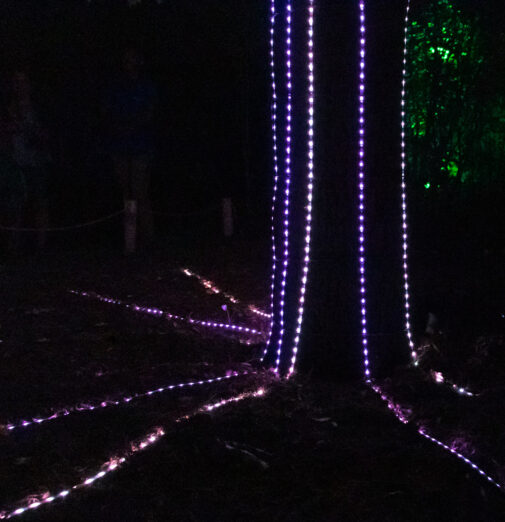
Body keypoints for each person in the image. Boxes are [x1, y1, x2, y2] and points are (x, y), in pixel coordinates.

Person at [104, 47, 157, 247]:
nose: (128, 64)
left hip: (141, 145)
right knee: (125, 193)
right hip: (120, 145)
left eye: (132, 59)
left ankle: (147, 237)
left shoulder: (146, 86)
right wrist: (119, 128)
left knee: (139, 191)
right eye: (126, 60)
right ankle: (130, 238)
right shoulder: (116, 87)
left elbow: (150, 112)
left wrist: (132, 126)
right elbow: (108, 112)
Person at [1, 67, 50, 252]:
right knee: (14, 204)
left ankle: (41, 246)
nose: (20, 86)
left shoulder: (39, 107)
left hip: (36, 160)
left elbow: (47, 134)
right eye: (16, 82)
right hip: (14, 161)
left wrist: (32, 131)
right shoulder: (6, 108)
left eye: (23, 81)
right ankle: (13, 246)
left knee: (39, 201)